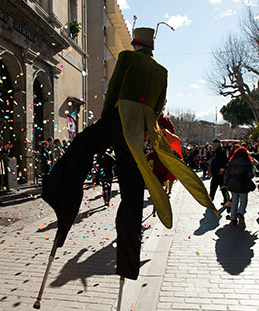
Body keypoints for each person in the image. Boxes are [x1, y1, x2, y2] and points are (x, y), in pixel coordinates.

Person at [42, 26, 215, 280]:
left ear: (136, 44)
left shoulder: (127, 57)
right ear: (152, 47)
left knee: (82, 145)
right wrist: (143, 131)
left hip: (118, 117)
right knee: (132, 191)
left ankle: (62, 201)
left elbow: (113, 90)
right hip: (138, 128)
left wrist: (106, 122)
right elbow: (159, 106)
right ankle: (128, 261)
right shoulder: (162, 71)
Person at [224, 146, 255, 227]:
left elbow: (227, 174)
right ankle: (240, 213)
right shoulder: (247, 162)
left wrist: (225, 184)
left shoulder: (232, 161)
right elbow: (250, 174)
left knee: (234, 200)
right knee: (243, 200)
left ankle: (233, 217)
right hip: (243, 183)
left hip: (232, 182)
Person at [209, 138, 230, 206]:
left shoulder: (221, 152)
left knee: (223, 188)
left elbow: (224, 162)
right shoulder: (215, 152)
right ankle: (210, 201)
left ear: (217, 145)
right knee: (213, 188)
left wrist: (221, 171)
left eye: (214, 145)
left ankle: (227, 201)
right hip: (215, 173)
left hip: (220, 174)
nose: (213, 146)